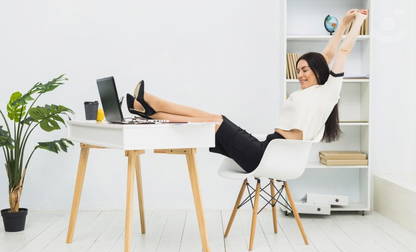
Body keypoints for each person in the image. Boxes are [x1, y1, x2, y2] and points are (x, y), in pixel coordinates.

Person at [126, 9, 368, 173]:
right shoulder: (311, 92)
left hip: (264, 157)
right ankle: (151, 109)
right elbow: (325, 54)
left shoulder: (327, 93)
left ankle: (150, 106)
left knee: (215, 120)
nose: (301, 75)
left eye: (305, 70)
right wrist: (342, 23)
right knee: (212, 119)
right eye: (298, 70)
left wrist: (356, 23)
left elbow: (341, 52)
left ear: (318, 71)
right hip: (263, 148)